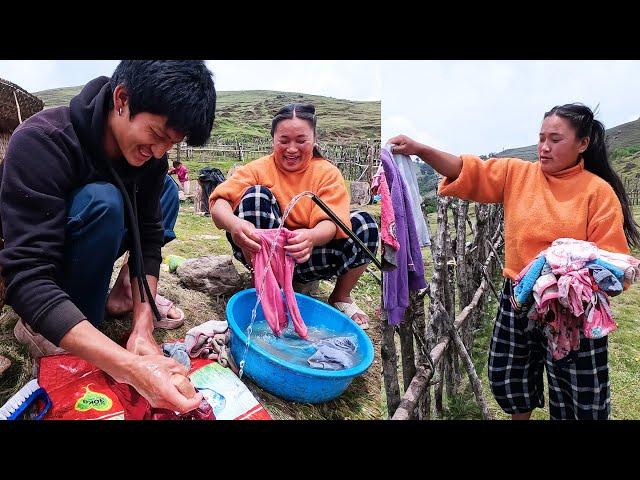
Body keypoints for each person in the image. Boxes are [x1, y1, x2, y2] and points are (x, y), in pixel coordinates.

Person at [388, 103, 640, 420]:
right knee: (510, 375)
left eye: (556, 139)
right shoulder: (518, 175)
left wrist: (565, 272)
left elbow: (613, 266)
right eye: (541, 137)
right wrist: (419, 148)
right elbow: (466, 170)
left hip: (571, 308)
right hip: (518, 295)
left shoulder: (597, 193)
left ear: (583, 144)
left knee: (575, 390)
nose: (544, 147)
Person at [0, 60, 217, 413]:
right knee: (104, 201)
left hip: (96, 234)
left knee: (162, 190)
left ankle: (121, 298)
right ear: (121, 99)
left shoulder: (151, 161)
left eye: (172, 144)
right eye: (158, 135)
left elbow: (148, 239)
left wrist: (143, 329)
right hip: (50, 262)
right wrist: (133, 369)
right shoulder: (41, 142)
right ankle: (45, 326)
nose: (160, 152)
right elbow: (26, 277)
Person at [209, 103, 379, 329]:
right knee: (255, 196)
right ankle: (263, 286)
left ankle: (340, 297)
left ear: (314, 139)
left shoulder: (326, 173)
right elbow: (219, 202)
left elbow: (332, 222)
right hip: (263, 255)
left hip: (306, 255)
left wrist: (312, 237)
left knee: (365, 225)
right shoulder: (259, 168)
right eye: (284, 140)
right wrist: (235, 224)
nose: (292, 148)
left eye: (301, 140)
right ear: (273, 141)